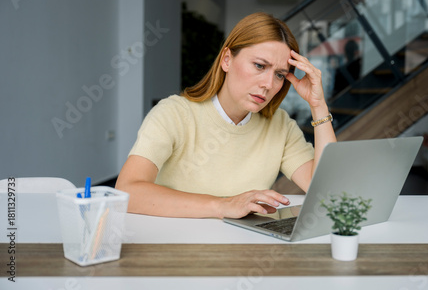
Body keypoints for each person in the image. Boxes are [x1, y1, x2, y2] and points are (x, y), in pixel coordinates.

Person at [115, 12, 337, 219]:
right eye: (259, 65)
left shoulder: (281, 126)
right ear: (227, 60)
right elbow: (128, 191)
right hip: (182, 250)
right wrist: (223, 205)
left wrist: (318, 105)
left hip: (248, 250)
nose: (268, 84)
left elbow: (329, 191)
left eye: (279, 75)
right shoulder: (174, 114)